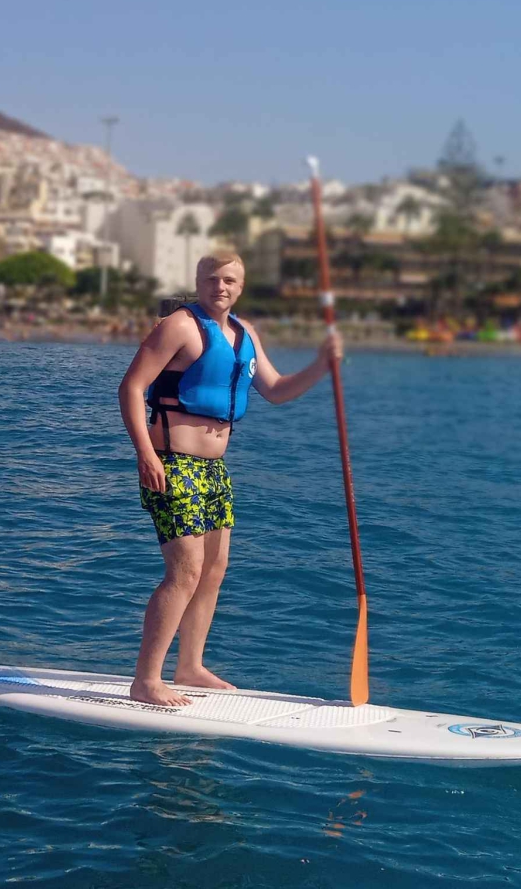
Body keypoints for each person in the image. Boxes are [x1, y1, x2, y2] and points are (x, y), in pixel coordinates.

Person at [117, 254, 342, 706]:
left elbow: (276, 390)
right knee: (185, 571)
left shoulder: (244, 334)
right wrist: (145, 453)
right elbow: (131, 387)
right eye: (212, 279)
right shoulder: (179, 326)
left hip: (214, 469)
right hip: (173, 463)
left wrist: (322, 365)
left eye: (230, 280)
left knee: (214, 569)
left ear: (241, 286)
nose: (221, 286)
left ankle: (190, 665)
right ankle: (146, 680)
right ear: (198, 282)